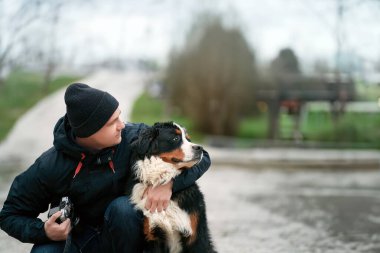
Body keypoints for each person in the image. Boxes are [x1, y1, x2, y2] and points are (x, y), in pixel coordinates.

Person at [0, 83, 211, 252]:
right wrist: (45, 231)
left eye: (119, 115)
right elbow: (9, 215)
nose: (122, 124)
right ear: (88, 132)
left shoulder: (133, 137)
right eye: (112, 122)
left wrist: (169, 184)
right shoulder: (50, 165)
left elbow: (202, 157)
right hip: (76, 240)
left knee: (123, 208)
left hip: (124, 235)